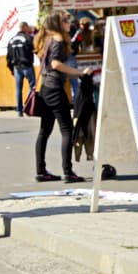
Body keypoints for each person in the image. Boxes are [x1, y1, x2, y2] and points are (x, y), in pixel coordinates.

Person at [34, 11, 89, 183]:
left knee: (44, 131)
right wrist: (79, 73)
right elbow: (56, 64)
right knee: (67, 130)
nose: (69, 23)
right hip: (56, 89)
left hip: (45, 89)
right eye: (65, 20)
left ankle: (41, 171)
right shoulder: (57, 39)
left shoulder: (45, 39)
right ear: (57, 23)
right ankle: (68, 171)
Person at [7, 21, 36, 117]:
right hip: (27, 65)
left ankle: (19, 110)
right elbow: (35, 49)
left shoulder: (11, 40)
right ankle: (28, 106)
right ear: (24, 27)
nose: (29, 29)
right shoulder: (28, 38)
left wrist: (11, 68)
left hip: (16, 67)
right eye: (28, 27)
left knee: (18, 89)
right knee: (32, 87)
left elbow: (9, 56)